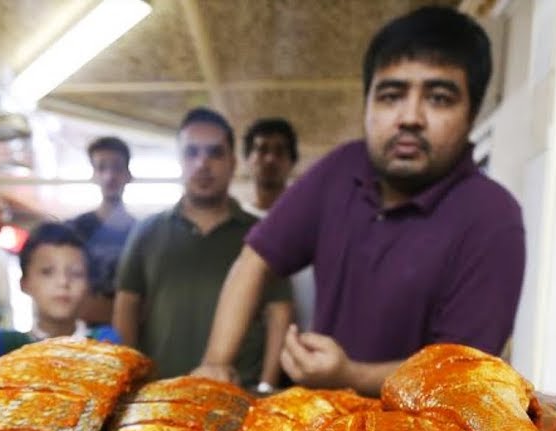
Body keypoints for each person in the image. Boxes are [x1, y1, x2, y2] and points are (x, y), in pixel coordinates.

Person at [193, 5, 525, 396]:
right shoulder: (342, 168)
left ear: (471, 116)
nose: (410, 117)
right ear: (366, 105)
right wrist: (216, 363)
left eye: (438, 98)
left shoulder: (493, 217)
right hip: (319, 424)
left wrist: (349, 375)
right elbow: (255, 260)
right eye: (391, 95)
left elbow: (459, 376)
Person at [113, 107, 293, 389]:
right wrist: (127, 382)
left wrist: (266, 388)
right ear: (180, 161)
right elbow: (126, 307)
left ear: (233, 162)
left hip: (240, 397)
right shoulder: (146, 233)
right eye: (191, 152)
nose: (203, 163)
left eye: (215, 153)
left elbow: (278, 313)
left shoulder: (261, 234)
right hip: (160, 396)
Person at [0, 222, 119, 357]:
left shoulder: (104, 344)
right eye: (47, 272)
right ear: (24, 283)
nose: (63, 282)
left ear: (89, 284)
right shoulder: (6, 345)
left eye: (76, 273)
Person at [240, 118, 315, 334]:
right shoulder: (237, 225)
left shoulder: (310, 222)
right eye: (261, 150)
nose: (270, 159)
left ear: (292, 162)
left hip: (304, 342)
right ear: (247, 160)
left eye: (280, 151)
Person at [69, 136, 136, 326]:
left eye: (117, 167)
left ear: (128, 174)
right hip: (82, 338)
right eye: (102, 167)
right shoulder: (74, 231)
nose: (109, 176)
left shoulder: (143, 234)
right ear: (93, 175)